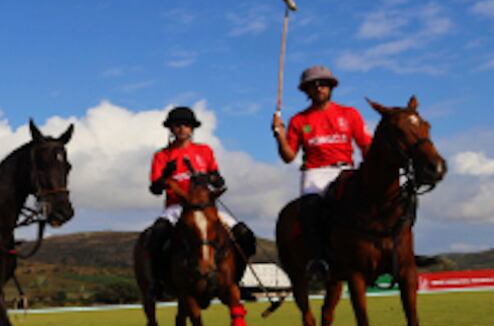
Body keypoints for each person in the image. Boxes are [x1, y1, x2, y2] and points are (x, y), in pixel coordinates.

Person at [271, 65, 371, 277]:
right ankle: (317, 260)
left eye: (323, 84)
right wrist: (280, 135)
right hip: (315, 172)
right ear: (306, 90)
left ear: (330, 87)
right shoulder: (299, 120)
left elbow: (365, 145)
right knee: (309, 210)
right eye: (313, 85)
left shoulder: (349, 114)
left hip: (345, 169)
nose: (318, 88)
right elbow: (289, 156)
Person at [144, 106, 256, 268]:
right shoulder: (161, 156)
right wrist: (164, 177)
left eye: (186, 125)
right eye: (177, 125)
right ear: (171, 129)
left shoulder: (205, 151)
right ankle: (156, 282)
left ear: (192, 128)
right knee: (157, 234)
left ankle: (237, 277)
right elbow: (155, 189)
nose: (182, 129)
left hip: (206, 207)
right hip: (176, 207)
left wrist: (211, 178)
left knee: (243, 234)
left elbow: (218, 180)